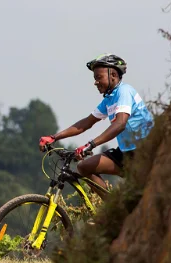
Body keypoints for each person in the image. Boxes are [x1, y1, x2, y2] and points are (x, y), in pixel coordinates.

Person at [38, 53, 153, 189]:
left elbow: (120, 123)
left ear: (113, 76)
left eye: (99, 77)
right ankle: (111, 208)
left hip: (144, 151)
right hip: (125, 153)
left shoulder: (124, 91)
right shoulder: (109, 99)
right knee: (84, 167)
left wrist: (91, 145)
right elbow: (86, 123)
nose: (95, 82)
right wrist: (54, 137)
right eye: (94, 78)